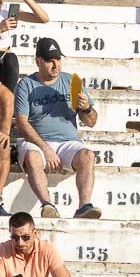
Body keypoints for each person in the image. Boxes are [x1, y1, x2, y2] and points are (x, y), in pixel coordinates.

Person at [12, 38, 101, 219]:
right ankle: (47, 205)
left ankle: (84, 206)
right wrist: (46, 148)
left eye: (58, 60)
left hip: (68, 142)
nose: (56, 65)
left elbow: (91, 121)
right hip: (36, 143)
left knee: (88, 155)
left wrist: (86, 108)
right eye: (50, 61)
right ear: (38, 61)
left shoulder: (71, 81)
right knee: (33, 156)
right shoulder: (26, 85)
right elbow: (21, 122)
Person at [0, 0, 49, 220]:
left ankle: (6, 125)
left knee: (10, 59)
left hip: (3, 59)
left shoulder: (8, 10)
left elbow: (44, 19)